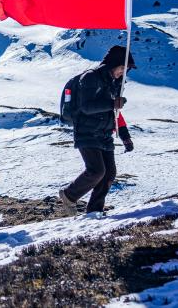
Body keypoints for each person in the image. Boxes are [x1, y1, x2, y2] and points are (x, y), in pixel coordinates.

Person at [58, 45, 136, 217]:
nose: (123, 72)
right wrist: (112, 103)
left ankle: (94, 211)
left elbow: (115, 113)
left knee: (109, 174)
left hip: (105, 134)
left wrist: (125, 136)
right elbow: (86, 107)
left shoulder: (115, 83)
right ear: (113, 64)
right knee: (96, 171)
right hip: (86, 132)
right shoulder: (90, 78)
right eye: (122, 67)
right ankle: (69, 195)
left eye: (126, 70)